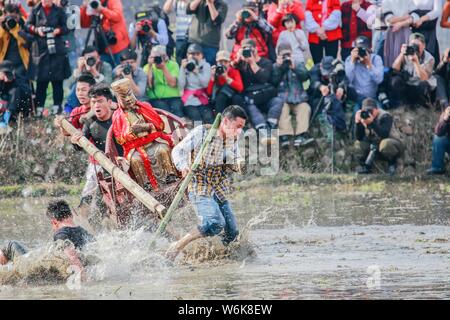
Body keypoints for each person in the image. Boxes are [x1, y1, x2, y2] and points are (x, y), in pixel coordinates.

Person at [166, 105, 247, 260]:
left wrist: (239, 164)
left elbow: (236, 158)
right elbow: (178, 150)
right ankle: (177, 245)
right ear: (225, 121)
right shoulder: (202, 132)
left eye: (242, 128)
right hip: (199, 184)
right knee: (215, 223)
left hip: (219, 186)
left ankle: (219, 256)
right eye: (238, 126)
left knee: (232, 233)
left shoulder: (233, 139)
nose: (239, 131)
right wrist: (183, 166)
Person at [111, 78, 179, 189]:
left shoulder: (144, 107)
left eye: (129, 94)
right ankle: (146, 185)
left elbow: (160, 125)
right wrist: (132, 132)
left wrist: (146, 127)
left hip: (153, 142)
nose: (128, 99)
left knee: (163, 149)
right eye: (124, 97)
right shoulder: (117, 115)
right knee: (135, 160)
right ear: (118, 99)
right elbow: (119, 138)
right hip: (135, 148)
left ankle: (170, 176)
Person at [232, 39, 283, 145]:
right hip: (251, 99)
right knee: (250, 106)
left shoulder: (266, 62)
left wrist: (252, 62)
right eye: (245, 49)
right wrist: (238, 58)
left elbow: (263, 78)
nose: (248, 52)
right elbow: (232, 69)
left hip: (265, 97)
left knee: (278, 101)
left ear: (256, 49)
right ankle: (263, 131)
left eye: (250, 49)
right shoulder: (241, 64)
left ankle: (271, 126)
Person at [26, 0, 72, 115]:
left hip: (56, 50)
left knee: (57, 82)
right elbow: (27, 25)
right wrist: (37, 30)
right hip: (40, 50)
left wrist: (58, 30)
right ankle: (39, 109)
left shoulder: (59, 11)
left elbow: (67, 27)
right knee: (41, 82)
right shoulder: (35, 10)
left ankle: (57, 108)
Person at [272, 42, 313, 149]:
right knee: (281, 109)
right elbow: (273, 81)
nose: (286, 57)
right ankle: (285, 135)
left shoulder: (298, 64)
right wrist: (279, 67)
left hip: (298, 98)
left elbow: (305, 77)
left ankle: (301, 135)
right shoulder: (275, 66)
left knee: (305, 108)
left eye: (288, 54)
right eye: (284, 55)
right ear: (279, 55)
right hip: (283, 99)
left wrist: (294, 66)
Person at [354, 98, 404, 175]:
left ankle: (392, 164)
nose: (369, 113)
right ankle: (364, 166)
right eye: (366, 111)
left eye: (371, 111)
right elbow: (359, 137)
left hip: (394, 143)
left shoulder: (385, 116)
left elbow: (384, 134)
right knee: (359, 144)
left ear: (376, 109)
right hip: (375, 145)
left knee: (385, 144)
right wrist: (358, 123)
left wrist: (372, 123)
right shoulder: (363, 117)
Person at [46, 199, 94, 272]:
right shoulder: (84, 232)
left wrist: (83, 275)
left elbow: (72, 257)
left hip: (82, 274)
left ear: (54, 222)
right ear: (71, 215)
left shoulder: (60, 234)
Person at [389, 32, 436, 107]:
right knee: (395, 80)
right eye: (413, 45)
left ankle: (420, 107)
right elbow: (395, 68)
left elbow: (424, 78)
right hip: (408, 83)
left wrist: (416, 62)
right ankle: (401, 105)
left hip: (419, 85)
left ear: (424, 46)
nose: (415, 47)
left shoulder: (430, 58)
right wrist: (401, 54)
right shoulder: (406, 52)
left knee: (424, 85)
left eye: (418, 45)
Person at [79, 0, 130, 68]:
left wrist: (102, 9)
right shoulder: (92, 4)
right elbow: (84, 24)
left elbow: (117, 16)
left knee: (121, 71)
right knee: (105, 71)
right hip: (103, 47)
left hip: (118, 45)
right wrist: (84, 7)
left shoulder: (112, 1)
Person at [64, 45, 113, 113]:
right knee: (77, 87)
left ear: (98, 58)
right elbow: (67, 85)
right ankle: (68, 111)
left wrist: (95, 72)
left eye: (93, 58)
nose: (91, 60)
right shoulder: (82, 66)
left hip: (100, 94)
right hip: (85, 96)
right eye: (88, 58)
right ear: (83, 59)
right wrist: (79, 70)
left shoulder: (105, 66)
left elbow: (109, 85)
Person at [345, 35, 384, 112]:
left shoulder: (376, 59)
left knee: (379, 115)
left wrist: (369, 64)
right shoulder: (350, 59)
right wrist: (352, 62)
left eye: (364, 49)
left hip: (372, 97)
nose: (361, 52)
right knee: (356, 116)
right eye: (359, 49)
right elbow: (347, 80)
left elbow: (379, 80)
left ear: (369, 48)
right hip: (356, 98)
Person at [308, 56, 347, 132]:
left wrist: (341, 87)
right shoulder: (315, 69)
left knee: (337, 102)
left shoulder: (339, 67)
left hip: (334, 93)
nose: (326, 75)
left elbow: (345, 78)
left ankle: (339, 125)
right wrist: (320, 86)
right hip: (318, 95)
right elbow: (313, 82)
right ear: (321, 66)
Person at [144, 45, 183, 118]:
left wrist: (163, 68)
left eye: (159, 57)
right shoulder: (147, 67)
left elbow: (173, 83)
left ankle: (179, 129)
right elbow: (149, 85)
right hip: (156, 98)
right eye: (154, 57)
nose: (157, 59)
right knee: (165, 113)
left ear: (165, 56)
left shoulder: (173, 65)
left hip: (173, 97)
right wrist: (150, 66)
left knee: (177, 112)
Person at [178, 43, 213, 125]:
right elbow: (181, 85)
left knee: (208, 117)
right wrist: (182, 69)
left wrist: (196, 72)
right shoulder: (185, 66)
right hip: (189, 100)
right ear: (187, 55)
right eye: (191, 54)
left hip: (202, 98)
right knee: (196, 118)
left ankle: (212, 136)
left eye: (197, 54)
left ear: (202, 55)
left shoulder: (205, 66)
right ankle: (199, 136)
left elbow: (205, 84)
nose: (194, 56)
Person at [186, 0, 228, 66]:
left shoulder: (222, 5)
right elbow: (189, 9)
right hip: (194, 41)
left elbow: (216, 20)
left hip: (210, 44)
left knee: (209, 69)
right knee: (192, 68)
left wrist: (210, 3)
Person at [381, 0, 417, 68]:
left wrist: (401, 24)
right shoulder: (386, 1)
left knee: (406, 54)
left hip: (406, 31)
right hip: (392, 32)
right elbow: (390, 19)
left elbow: (415, 16)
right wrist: (406, 17)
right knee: (392, 55)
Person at [411, 0, 442, 65]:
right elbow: (408, 9)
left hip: (429, 29)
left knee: (430, 52)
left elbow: (437, 11)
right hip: (415, 27)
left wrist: (421, 19)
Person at [163, 0, 193, 64]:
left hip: (194, 37)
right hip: (180, 37)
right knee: (179, 62)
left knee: (193, 61)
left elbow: (193, 6)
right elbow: (166, 10)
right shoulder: (177, 2)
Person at [426, 105, 450, 174]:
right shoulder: (447, 112)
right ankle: (437, 167)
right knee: (438, 139)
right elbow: (438, 132)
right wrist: (445, 120)